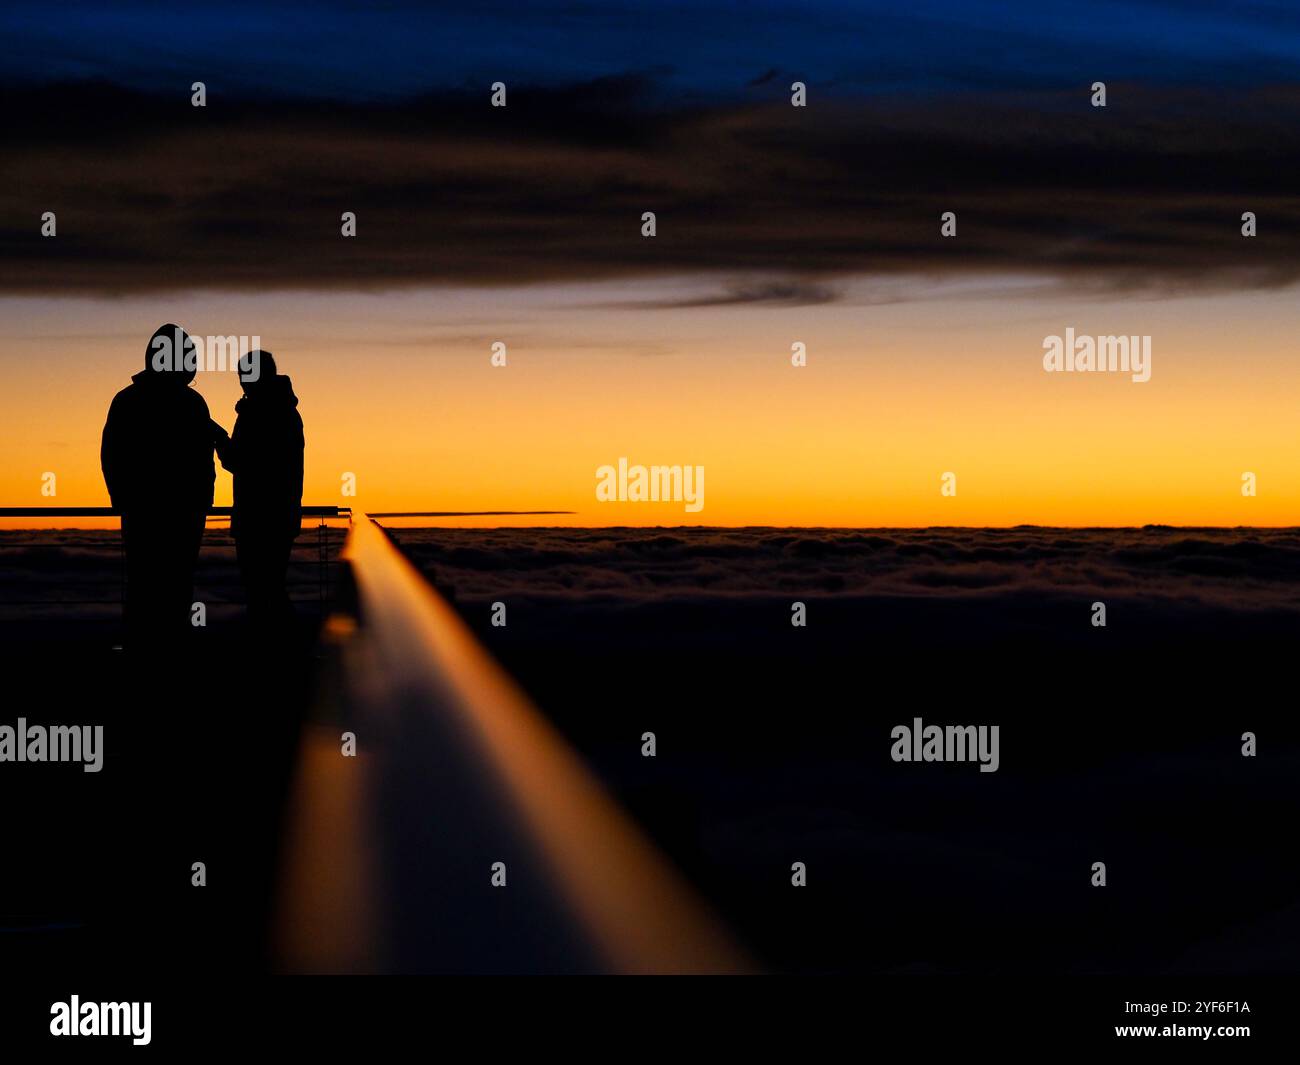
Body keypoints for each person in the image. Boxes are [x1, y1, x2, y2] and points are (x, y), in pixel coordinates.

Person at [101, 324, 215, 646]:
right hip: (185, 513)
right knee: (177, 587)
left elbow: (111, 454)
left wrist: (122, 498)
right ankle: (173, 653)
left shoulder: (127, 401)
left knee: (143, 587)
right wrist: (202, 500)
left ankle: (144, 653)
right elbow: (202, 460)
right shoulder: (193, 403)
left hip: (142, 512)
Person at [213, 350, 304, 632]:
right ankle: (280, 650)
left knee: (262, 590)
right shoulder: (285, 411)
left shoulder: (260, 413)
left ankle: (276, 653)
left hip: (256, 517)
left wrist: (218, 439)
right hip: (281, 515)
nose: (242, 383)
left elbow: (241, 462)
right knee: (271, 587)